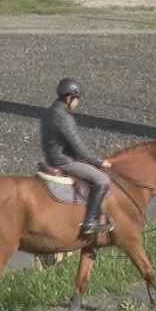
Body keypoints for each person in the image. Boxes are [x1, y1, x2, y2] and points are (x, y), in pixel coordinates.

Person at [40, 77, 112, 239]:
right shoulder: (63, 117)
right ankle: (90, 222)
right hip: (64, 161)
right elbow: (79, 147)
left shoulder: (50, 110)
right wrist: (99, 162)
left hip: (52, 156)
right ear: (69, 98)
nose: (77, 103)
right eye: (76, 99)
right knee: (102, 180)